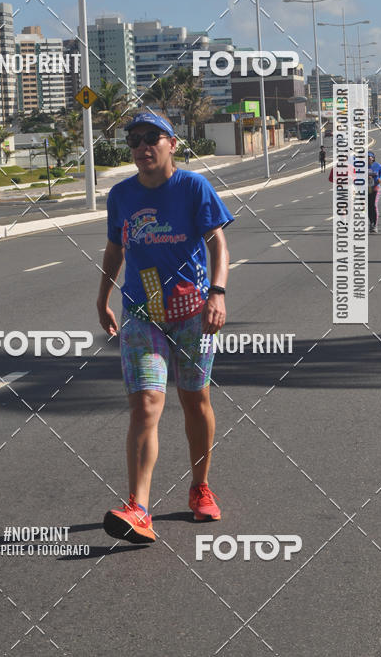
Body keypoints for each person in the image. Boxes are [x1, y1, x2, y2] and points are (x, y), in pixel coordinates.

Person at [96, 112, 234, 544]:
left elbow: (218, 242)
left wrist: (218, 292)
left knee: (196, 400)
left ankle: (200, 486)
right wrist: (102, 298)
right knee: (147, 404)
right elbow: (115, 249)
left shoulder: (193, 187)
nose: (142, 146)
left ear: (172, 143)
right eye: (134, 140)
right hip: (143, 313)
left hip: (193, 311)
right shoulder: (121, 195)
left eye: (151, 137)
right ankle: (138, 508)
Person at [367, 151, 381, 233]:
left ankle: (375, 225)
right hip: (366, 189)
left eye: (369, 157)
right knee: (369, 207)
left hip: (376, 188)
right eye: (367, 157)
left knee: (374, 205)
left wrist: (380, 178)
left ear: (373, 158)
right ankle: (371, 223)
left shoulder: (377, 165)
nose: (368, 159)